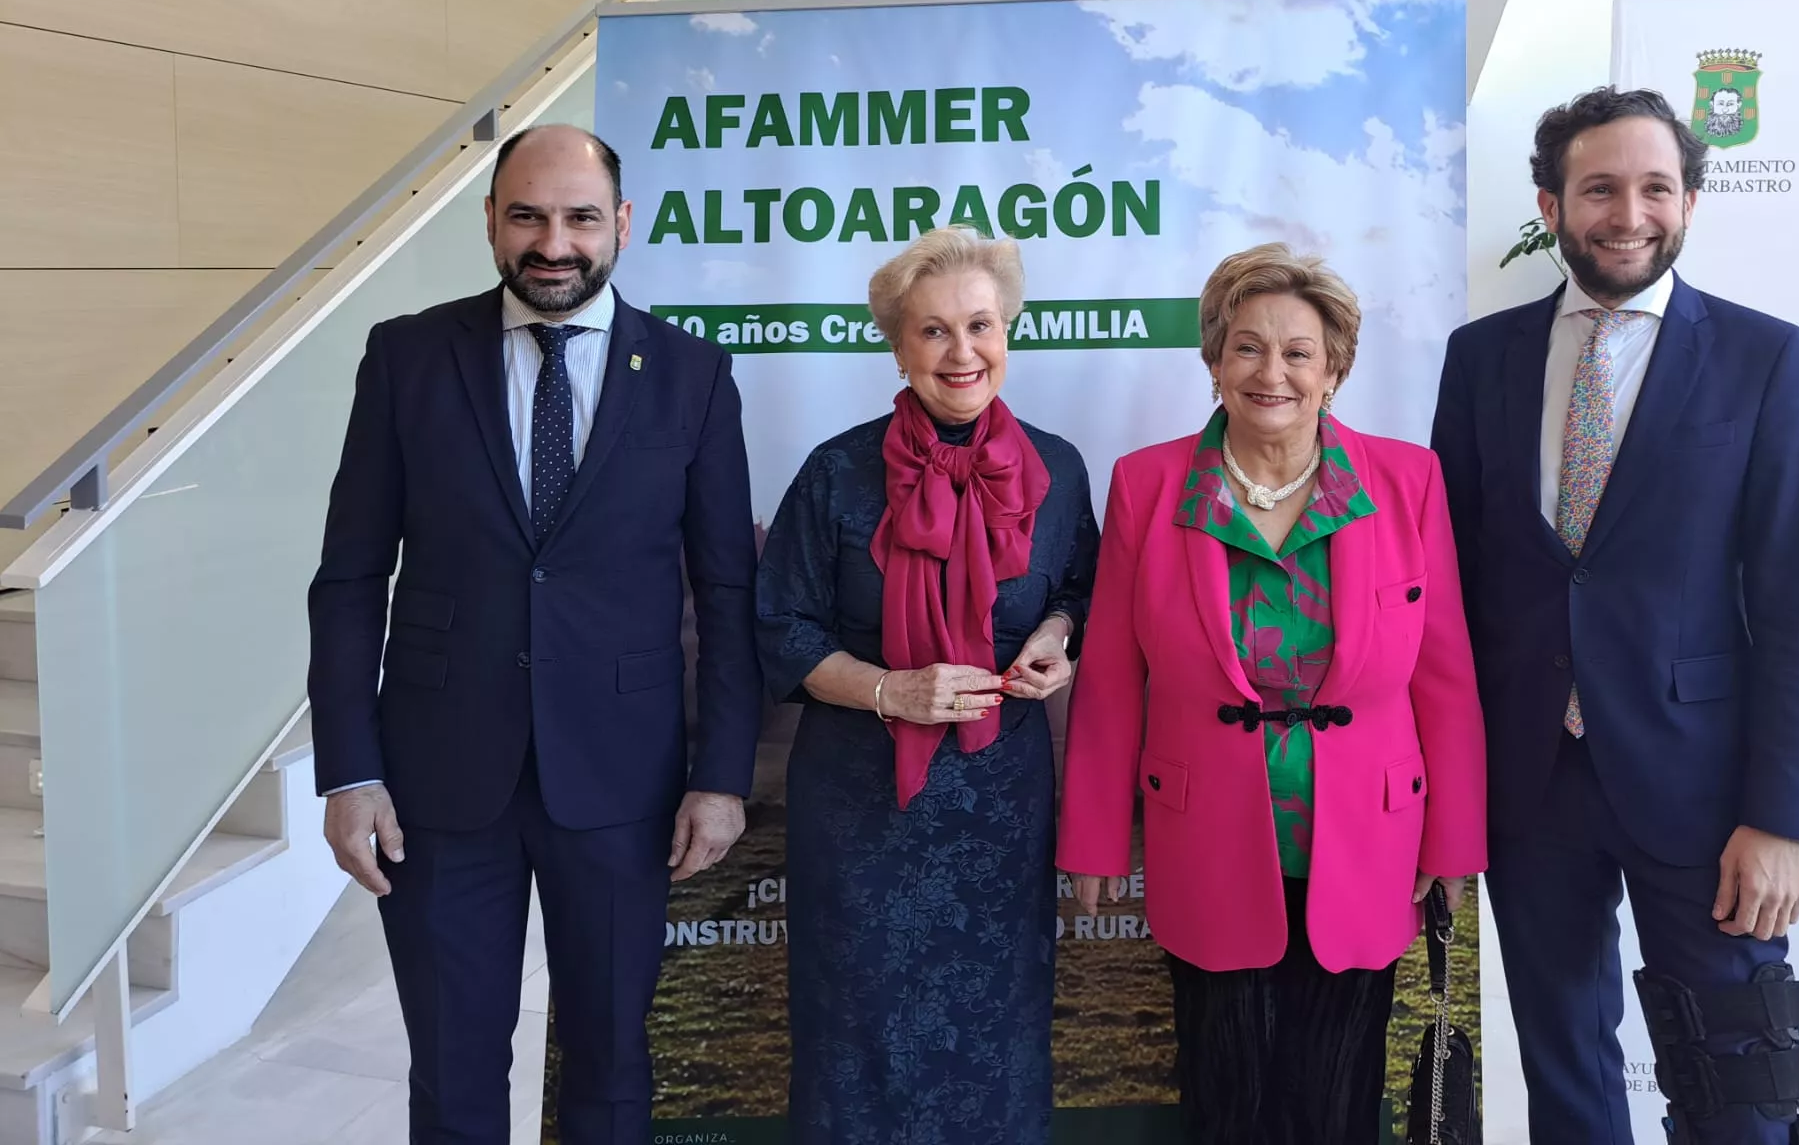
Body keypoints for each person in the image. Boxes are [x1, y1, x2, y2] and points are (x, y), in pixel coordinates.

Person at [307, 124, 763, 1143]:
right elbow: (348, 581)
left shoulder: (692, 375)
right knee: (455, 1066)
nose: (552, 242)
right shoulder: (408, 357)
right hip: (434, 783)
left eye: (579, 217)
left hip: (621, 782)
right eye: (527, 215)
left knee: (609, 1061)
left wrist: (721, 774)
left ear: (622, 226)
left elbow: (726, 590)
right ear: (490, 222)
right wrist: (347, 771)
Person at [1430, 89, 1799, 1145]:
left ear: (1690, 202)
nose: (1627, 212)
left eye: (1654, 187)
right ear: (1550, 203)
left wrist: (1780, 818)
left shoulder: (1763, 359)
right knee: (1565, 1075)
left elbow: (1794, 606)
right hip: (1528, 781)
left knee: (1738, 1083)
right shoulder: (1480, 360)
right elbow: (1450, 580)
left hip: (1704, 793)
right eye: (1598, 187)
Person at [1059, 244, 1486, 1145]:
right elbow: (1109, 679)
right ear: (1214, 363)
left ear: (1335, 369)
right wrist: (1094, 837)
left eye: (1299, 350)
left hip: (1368, 832)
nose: (1273, 371)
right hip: (1206, 827)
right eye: (1246, 347)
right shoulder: (1148, 482)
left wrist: (1453, 843)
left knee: (1336, 1094)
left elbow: (1442, 674)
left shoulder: (1406, 482)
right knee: (1228, 1094)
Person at [755, 227, 1098, 1144]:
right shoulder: (837, 470)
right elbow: (778, 627)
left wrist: (1058, 639)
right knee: (855, 1026)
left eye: (980, 325)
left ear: (1009, 330)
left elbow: (1077, 590)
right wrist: (885, 691)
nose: (961, 352)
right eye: (933, 331)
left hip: (1000, 806)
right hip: (862, 804)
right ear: (897, 345)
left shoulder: (1058, 469)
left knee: (999, 1025)